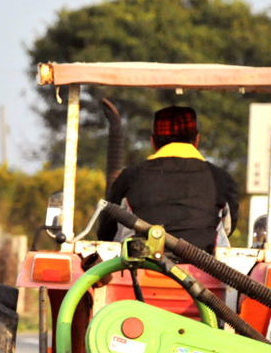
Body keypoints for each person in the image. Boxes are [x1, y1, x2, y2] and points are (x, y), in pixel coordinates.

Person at [98, 106, 239, 253]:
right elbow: (228, 227)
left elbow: (106, 233)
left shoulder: (129, 177)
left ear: (153, 142)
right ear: (197, 140)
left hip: (140, 270)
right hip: (207, 271)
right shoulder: (221, 179)